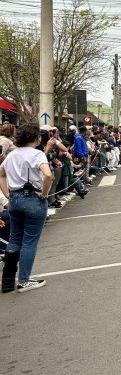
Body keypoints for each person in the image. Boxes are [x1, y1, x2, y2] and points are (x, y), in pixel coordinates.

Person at [0, 124, 54, 293]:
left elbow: (1, 174)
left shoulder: (11, 155)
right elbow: (47, 175)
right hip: (33, 198)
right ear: (36, 138)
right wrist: (44, 194)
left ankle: (7, 281)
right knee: (29, 241)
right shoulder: (37, 154)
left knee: (15, 237)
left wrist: (8, 194)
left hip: (15, 198)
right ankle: (24, 280)